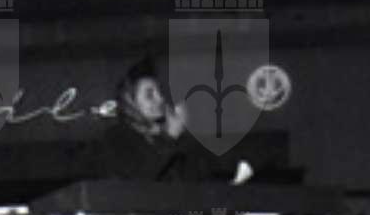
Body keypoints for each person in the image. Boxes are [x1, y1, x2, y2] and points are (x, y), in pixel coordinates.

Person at [96, 56, 253, 185]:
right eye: (150, 95)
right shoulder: (116, 138)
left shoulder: (170, 137)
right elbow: (140, 180)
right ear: (130, 101)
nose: (160, 99)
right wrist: (170, 137)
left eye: (159, 92)